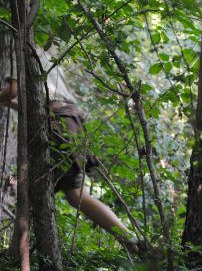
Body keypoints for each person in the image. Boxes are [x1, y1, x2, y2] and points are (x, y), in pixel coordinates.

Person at [0, 47, 142, 255]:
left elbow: (14, 90)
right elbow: (33, 103)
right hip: (70, 121)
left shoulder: (18, 48)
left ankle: (16, 254)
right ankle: (132, 239)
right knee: (76, 194)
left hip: (56, 123)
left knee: (32, 190)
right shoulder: (41, 53)